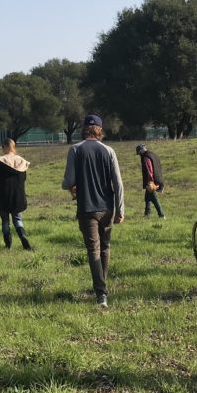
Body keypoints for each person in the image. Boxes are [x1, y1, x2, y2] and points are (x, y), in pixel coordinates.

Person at [61, 114, 125, 308]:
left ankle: (101, 293)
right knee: (105, 248)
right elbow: (118, 182)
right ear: (99, 130)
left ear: (84, 130)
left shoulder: (75, 149)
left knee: (93, 250)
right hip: (107, 208)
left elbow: (67, 182)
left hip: (86, 208)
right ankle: (102, 285)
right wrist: (120, 209)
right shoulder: (109, 151)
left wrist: (72, 184)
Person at [0, 138, 32, 250]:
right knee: (17, 219)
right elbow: (23, 178)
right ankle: (23, 237)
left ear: (5, 147)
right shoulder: (22, 162)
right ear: (13, 147)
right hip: (17, 195)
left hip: (3, 195)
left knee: (5, 220)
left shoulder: (0, 161)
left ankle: (8, 244)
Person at [135, 143, 164, 219]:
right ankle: (147, 214)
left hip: (152, 181)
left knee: (154, 198)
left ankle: (161, 215)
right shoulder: (153, 155)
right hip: (158, 178)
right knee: (147, 198)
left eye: (139, 153)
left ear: (141, 151)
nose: (139, 155)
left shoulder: (146, 157)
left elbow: (149, 170)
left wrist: (150, 182)